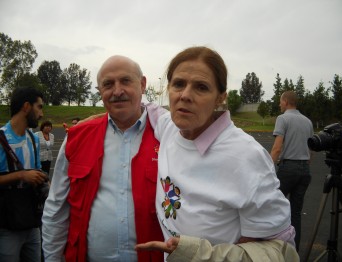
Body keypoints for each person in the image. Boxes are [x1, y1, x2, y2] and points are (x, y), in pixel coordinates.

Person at [135, 46, 298, 261]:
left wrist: (196, 253)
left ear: (220, 98)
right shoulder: (169, 127)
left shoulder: (246, 157)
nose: (185, 95)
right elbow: (146, 108)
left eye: (201, 87)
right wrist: (97, 120)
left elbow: (276, 250)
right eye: (178, 84)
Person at [42, 55, 164, 261]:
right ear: (100, 92)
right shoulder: (76, 138)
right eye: (108, 84)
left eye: (125, 81)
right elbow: (56, 208)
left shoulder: (169, 138)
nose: (117, 91)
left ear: (142, 84)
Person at [0, 86, 47, 262]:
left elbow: (37, 169)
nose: (41, 114)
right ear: (26, 107)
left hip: (32, 221)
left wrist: (43, 181)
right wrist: (21, 175)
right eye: (39, 107)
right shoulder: (2, 138)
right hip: (7, 224)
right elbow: (25, 174)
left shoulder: (33, 138)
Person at [270, 90, 314, 251]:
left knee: (273, 207)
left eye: (280, 101)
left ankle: (274, 249)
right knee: (296, 213)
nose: (279, 104)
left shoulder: (283, 119)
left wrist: (268, 168)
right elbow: (311, 151)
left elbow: (276, 148)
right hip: (305, 170)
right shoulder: (308, 121)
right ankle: (294, 251)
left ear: (286, 102)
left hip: (288, 169)